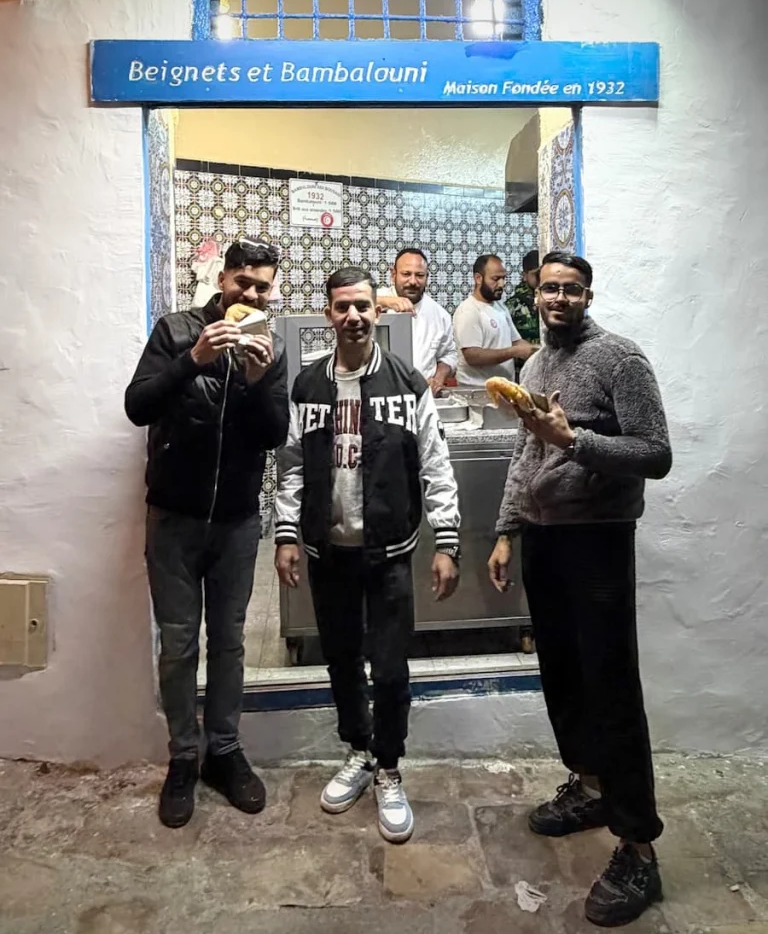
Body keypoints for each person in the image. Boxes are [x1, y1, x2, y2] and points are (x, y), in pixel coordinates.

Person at [487, 251, 672, 927]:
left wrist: (579, 439)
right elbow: (526, 452)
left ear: (588, 294)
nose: (558, 298)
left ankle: (638, 846)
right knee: (563, 675)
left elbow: (656, 451)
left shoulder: (619, 359)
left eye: (571, 289)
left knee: (611, 685)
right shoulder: (535, 363)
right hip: (545, 538)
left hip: (597, 539)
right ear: (536, 294)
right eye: (549, 288)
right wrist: (506, 529)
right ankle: (591, 786)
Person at [274, 266, 461, 844]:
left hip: (390, 553)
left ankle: (389, 766)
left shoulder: (407, 382)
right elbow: (291, 464)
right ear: (328, 313)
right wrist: (285, 533)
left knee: (390, 665)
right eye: (341, 307)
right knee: (341, 660)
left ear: (377, 313)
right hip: (329, 553)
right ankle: (357, 749)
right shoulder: (307, 386)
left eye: (362, 306)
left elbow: (434, 460)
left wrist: (447, 539)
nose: (353, 316)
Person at [125, 237, 289, 829]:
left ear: (271, 291)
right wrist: (191, 359)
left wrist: (254, 380)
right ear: (223, 279)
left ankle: (223, 750)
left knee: (230, 642)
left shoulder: (271, 344)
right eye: (242, 282)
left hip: (239, 520)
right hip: (173, 516)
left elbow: (274, 435)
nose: (250, 294)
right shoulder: (176, 331)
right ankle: (182, 757)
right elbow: (137, 406)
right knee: (177, 644)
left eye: (261, 286)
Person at [377, 247, 457, 397]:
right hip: (380, 394)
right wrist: (385, 302)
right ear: (393, 274)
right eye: (406, 274)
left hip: (422, 396)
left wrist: (438, 378)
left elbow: (449, 354)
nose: (413, 281)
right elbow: (345, 304)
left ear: (427, 277)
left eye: (419, 275)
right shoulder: (376, 299)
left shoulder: (440, 315)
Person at [453, 253, 536, 387]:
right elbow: (472, 356)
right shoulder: (469, 310)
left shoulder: (500, 307)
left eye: (503, 278)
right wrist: (515, 352)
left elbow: (516, 341)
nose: (501, 284)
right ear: (478, 278)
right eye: (496, 279)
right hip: (477, 391)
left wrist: (537, 350)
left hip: (504, 389)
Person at [505, 249, 541, 346]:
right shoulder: (512, 305)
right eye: (537, 274)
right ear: (525, 276)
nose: (541, 278)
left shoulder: (554, 299)